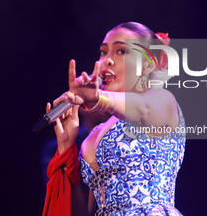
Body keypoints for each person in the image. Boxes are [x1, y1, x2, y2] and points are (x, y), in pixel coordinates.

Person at [42, 22, 186, 216]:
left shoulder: (161, 100)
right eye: (103, 53)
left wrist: (97, 99)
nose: (107, 61)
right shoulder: (96, 134)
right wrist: (66, 146)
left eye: (121, 51)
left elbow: (141, 110)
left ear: (148, 64)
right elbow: (82, 211)